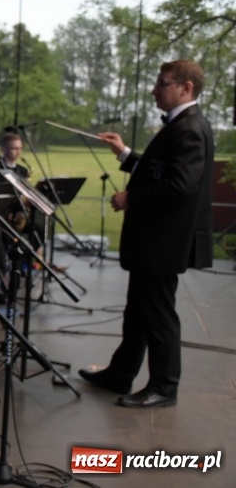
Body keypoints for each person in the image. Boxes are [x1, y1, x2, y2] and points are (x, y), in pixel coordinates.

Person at [81, 60, 214, 408]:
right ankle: (121, 373)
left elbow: (177, 187)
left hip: (164, 243)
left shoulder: (189, 129)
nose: (155, 89)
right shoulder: (180, 126)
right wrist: (124, 153)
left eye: (163, 83)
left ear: (185, 87)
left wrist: (130, 198)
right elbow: (158, 170)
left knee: (158, 315)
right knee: (138, 311)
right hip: (153, 242)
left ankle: (164, 387)